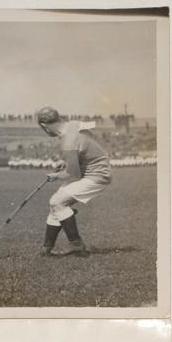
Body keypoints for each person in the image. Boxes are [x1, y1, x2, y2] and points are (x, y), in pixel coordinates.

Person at [36, 106, 112, 257]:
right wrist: (67, 161)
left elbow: (74, 173)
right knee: (56, 204)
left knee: (57, 202)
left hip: (96, 175)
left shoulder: (68, 142)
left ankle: (76, 244)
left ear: (44, 126)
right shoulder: (73, 124)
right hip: (93, 170)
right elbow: (88, 138)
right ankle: (47, 249)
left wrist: (56, 176)